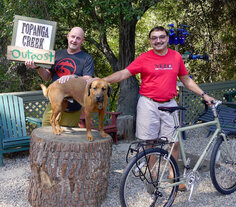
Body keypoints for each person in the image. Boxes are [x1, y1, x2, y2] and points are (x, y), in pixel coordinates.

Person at [101, 26, 214, 191]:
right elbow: (124, 73)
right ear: (150, 41)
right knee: (150, 143)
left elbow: (186, 80)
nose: (158, 40)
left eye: (161, 37)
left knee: (174, 143)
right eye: (154, 38)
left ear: (167, 38)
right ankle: (152, 175)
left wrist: (204, 95)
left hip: (170, 103)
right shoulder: (144, 58)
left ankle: (172, 174)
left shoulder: (176, 57)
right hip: (148, 103)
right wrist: (103, 80)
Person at [25, 27, 94, 127]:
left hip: (72, 107)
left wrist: (74, 77)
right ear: (68, 36)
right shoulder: (56, 55)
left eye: (78, 38)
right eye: (73, 37)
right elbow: (47, 77)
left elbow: (88, 79)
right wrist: (38, 67)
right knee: (45, 135)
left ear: (82, 41)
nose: (74, 40)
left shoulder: (87, 58)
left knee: (66, 139)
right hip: (54, 105)